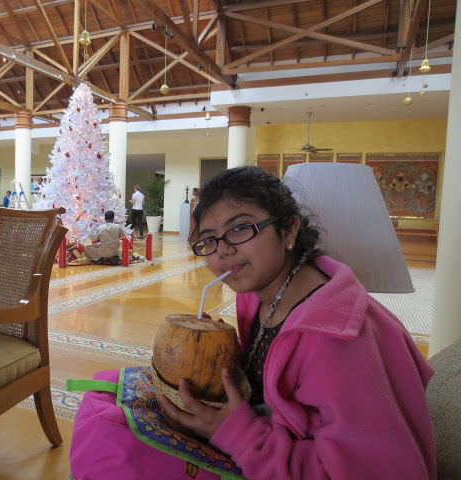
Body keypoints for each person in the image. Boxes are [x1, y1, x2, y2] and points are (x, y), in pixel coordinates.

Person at [70, 166, 436, 480]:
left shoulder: (337, 340)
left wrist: (234, 432)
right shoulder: (258, 295)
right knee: (107, 398)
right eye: (208, 240)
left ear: (288, 230)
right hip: (266, 444)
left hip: (272, 457)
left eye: (240, 228)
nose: (223, 250)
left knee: (111, 447)